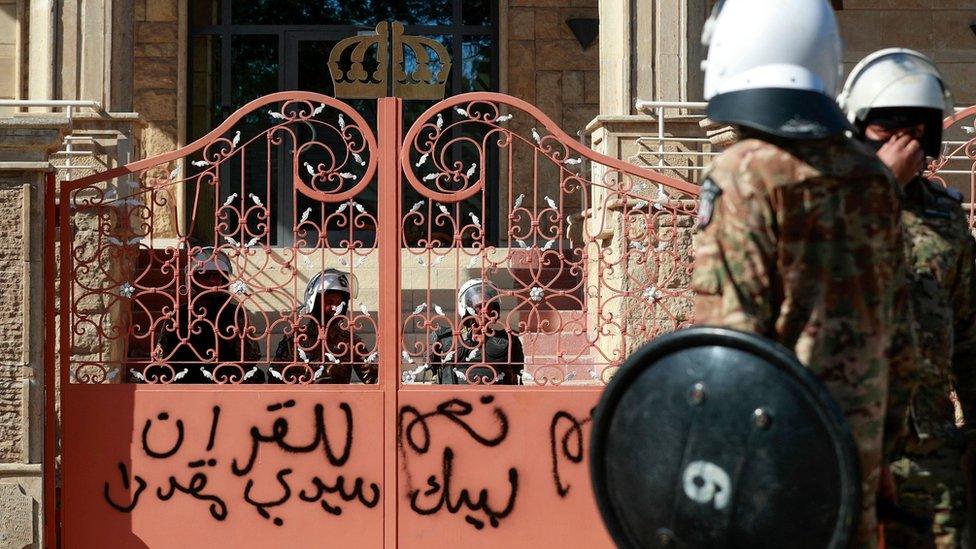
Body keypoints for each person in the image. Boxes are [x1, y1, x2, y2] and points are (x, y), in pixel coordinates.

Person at [690, 1, 918, 545]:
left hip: (771, 465)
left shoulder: (742, 173)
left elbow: (731, 343)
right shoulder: (871, 176)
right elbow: (901, 337)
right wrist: (883, 456)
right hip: (853, 465)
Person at [840, 48, 976, 548]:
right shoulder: (828, 206)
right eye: (887, 129)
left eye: (916, 130)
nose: (903, 144)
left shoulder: (944, 217)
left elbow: (968, 331)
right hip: (845, 446)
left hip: (929, 449)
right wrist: (880, 185)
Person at [142, 246, 264, 384]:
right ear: (193, 279)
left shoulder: (235, 312)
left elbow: (251, 355)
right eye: (205, 276)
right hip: (185, 378)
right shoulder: (179, 313)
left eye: (217, 275)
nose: (212, 281)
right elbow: (163, 354)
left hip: (226, 377)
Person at [272, 268, 377, 384]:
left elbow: (373, 377)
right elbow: (275, 378)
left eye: (339, 303)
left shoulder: (350, 341)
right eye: (330, 302)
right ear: (316, 303)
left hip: (338, 400)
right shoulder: (294, 339)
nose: (335, 308)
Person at [430, 278, 524, 385]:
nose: (485, 311)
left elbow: (518, 376)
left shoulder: (508, 339)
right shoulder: (445, 338)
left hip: (498, 399)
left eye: (488, 305)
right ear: (467, 308)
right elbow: (430, 373)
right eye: (479, 306)